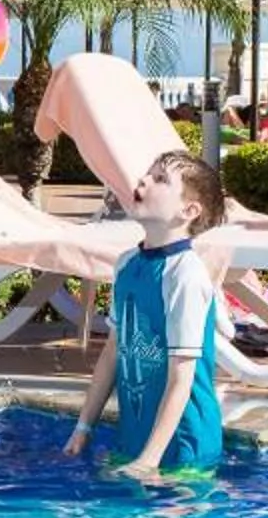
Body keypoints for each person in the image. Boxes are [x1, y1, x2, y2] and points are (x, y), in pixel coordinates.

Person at [67, 150, 225, 481]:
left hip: (185, 448)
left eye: (160, 179)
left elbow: (182, 378)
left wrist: (149, 460)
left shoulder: (184, 274)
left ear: (188, 211)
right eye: (148, 174)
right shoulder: (127, 264)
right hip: (136, 439)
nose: (143, 180)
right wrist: (83, 427)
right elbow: (113, 352)